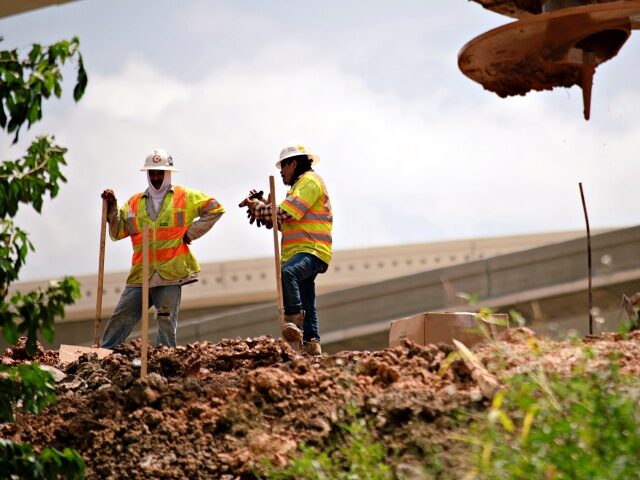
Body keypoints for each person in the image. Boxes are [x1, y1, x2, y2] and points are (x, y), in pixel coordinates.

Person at [100, 148, 225, 348]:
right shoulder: (133, 203)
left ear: (168, 174)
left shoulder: (185, 196)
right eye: (152, 173)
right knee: (121, 317)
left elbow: (216, 208)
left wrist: (190, 233)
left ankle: (165, 362)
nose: (156, 177)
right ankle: (104, 356)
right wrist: (112, 207)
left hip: (170, 273)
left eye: (160, 173)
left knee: (166, 322)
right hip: (141, 274)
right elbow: (116, 233)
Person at [242, 143, 332, 356]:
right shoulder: (299, 187)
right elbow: (284, 221)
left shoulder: (309, 182)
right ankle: (312, 343)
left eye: (283, 166)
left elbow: (285, 213)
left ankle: (293, 323)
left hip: (312, 248)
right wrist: (265, 207)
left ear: (293, 164)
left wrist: (259, 208)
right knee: (306, 297)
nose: (281, 172)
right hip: (304, 249)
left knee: (288, 273)